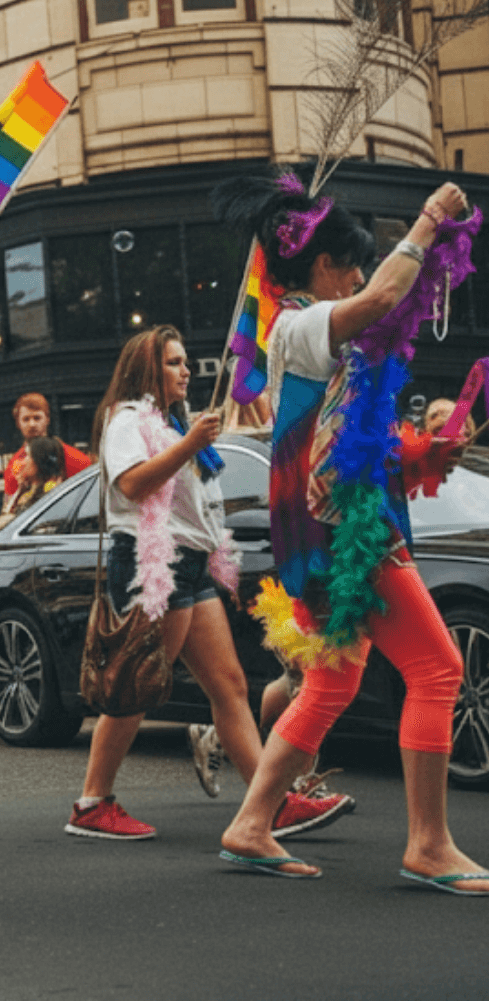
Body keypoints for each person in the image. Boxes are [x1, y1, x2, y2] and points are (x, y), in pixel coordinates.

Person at [215, 174, 489, 891]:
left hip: (327, 531)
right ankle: (428, 844)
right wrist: (428, 219)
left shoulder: (311, 333)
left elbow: (350, 441)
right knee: (438, 669)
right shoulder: (297, 324)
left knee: (330, 682)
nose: (361, 278)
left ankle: (251, 823)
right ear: (322, 266)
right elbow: (382, 299)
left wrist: (423, 456)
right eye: (352, 265)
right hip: (344, 535)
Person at [66, 325, 351, 842]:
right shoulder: (126, 418)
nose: (186, 371)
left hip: (192, 565)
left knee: (230, 685)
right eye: (173, 362)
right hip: (155, 562)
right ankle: (92, 803)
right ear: (147, 369)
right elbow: (131, 484)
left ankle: (270, 804)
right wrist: (191, 443)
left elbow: (198, 505)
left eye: (184, 361)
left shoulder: (175, 423)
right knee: (137, 685)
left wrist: (193, 442)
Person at [4, 393, 92, 500]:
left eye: (37, 418)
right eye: (26, 419)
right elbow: (10, 504)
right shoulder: (14, 465)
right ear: (18, 423)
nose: (32, 424)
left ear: (47, 419)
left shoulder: (74, 458)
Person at [0, 436, 65, 530]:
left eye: (28, 456)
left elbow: (2, 526)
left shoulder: (50, 493)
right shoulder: (27, 492)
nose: (23, 462)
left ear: (39, 461)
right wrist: (19, 491)